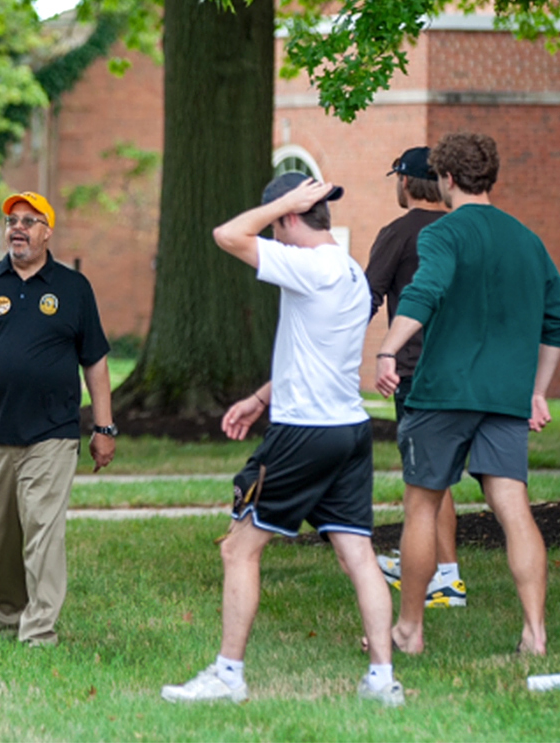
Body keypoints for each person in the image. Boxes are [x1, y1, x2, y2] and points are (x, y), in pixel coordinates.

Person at [161, 173, 402, 707]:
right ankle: (383, 681)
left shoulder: (310, 263)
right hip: (348, 431)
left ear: (289, 217)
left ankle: (228, 675)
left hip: (304, 435)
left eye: (278, 221)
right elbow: (315, 350)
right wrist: (261, 397)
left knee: (240, 549)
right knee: (358, 555)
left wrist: (281, 205)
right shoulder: (348, 271)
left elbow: (227, 235)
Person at [373, 133, 560, 656]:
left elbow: (425, 290)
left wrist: (387, 350)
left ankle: (410, 630)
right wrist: (537, 391)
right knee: (514, 508)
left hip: (443, 390)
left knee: (421, 508)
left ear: (447, 179)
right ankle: (535, 631)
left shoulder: (443, 233)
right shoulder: (527, 239)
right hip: (505, 395)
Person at [0, 191, 116, 647]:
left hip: (51, 434)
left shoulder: (73, 288)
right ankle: (5, 619)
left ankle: (39, 632)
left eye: (30, 221)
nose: (18, 227)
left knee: (43, 531)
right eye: (13, 220)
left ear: (47, 232)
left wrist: (104, 426)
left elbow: (94, 361)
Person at [366, 147, 465, 608]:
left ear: (405, 182)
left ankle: (446, 579)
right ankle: (421, 564)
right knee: (435, 476)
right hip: (465, 370)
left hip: (414, 374)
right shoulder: (462, 230)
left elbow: (366, 297)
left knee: (426, 478)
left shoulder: (400, 233)